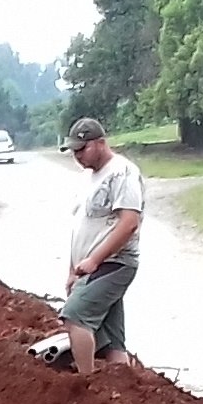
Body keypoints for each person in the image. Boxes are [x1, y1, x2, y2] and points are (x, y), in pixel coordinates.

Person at [57, 117, 145, 378]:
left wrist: (94, 260)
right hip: (91, 266)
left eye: (82, 149)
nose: (77, 156)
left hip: (114, 262)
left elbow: (129, 223)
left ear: (101, 143)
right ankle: (124, 393)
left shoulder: (122, 173)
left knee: (74, 316)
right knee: (112, 342)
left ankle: (87, 384)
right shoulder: (89, 178)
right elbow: (82, 227)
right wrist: (72, 270)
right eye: (74, 150)